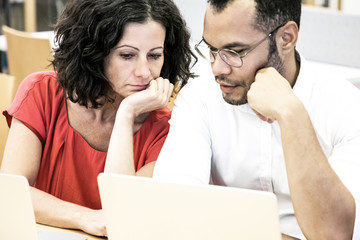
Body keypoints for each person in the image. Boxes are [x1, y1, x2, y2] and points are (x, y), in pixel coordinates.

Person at [153, 0, 360, 239]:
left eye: (235, 52)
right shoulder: (200, 97)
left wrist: (291, 113)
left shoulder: (347, 106)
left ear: (287, 38)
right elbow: (173, 209)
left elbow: (333, 234)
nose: (218, 69)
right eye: (211, 49)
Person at [0, 0, 195, 236]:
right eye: (127, 55)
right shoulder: (42, 92)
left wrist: (126, 113)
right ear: (94, 52)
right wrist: (84, 217)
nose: (144, 72)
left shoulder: (167, 128)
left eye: (154, 56)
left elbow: (123, 213)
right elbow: (11, 193)